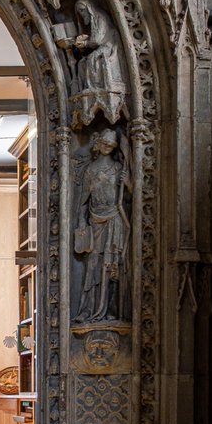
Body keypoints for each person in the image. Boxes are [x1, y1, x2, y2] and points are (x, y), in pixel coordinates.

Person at [75, 128, 131, 323]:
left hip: (115, 219)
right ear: (98, 144)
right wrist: (82, 221)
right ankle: (88, 309)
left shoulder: (117, 168)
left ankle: (111, 310)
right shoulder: (90, 170)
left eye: (111, 145)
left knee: (113, 265)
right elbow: (83, 200)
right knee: (93, 265)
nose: (108, 148)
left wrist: (129, 182)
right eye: (105, 144)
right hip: (96, 219)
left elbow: (132, 195)